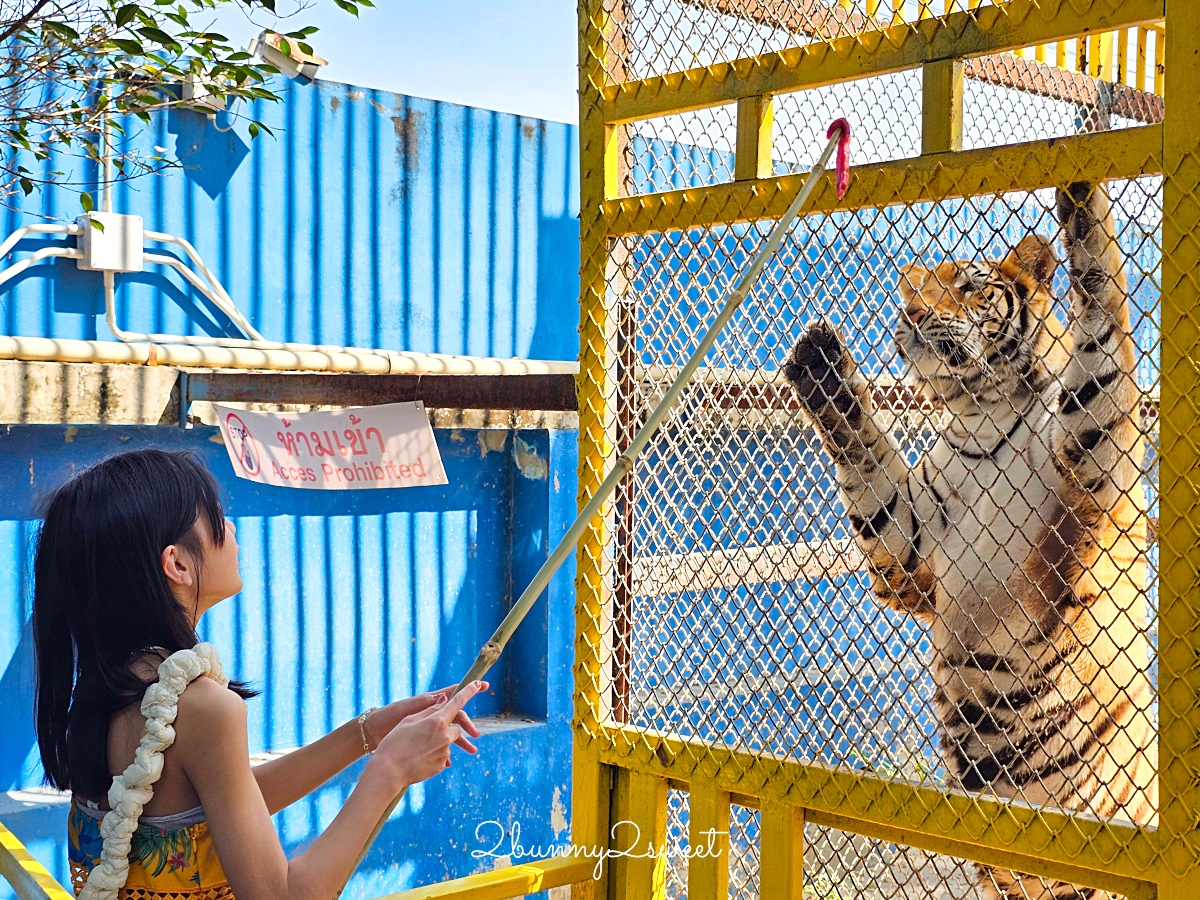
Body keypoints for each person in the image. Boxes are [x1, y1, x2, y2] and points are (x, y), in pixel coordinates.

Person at [32, 449, 487, 900]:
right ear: (178, 565)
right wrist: (391, 770)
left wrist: (365, 734)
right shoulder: (203, 709)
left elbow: (216, 809)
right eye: (217, 517)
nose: (230, 529)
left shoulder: (109, 688)